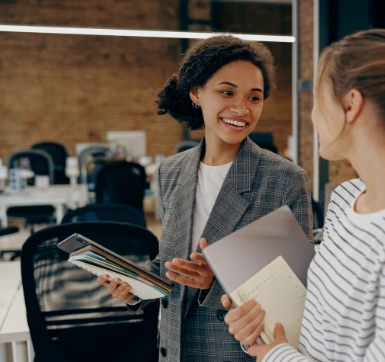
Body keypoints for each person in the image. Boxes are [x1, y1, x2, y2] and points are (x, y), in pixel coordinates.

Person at [221, 29, 385, 362]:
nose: (313, 117)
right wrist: (262, 327)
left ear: (352, 104)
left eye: (317, 102)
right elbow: (328, 323)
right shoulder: (346, 197)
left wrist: (277, 358)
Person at [97, 35, 313, 362]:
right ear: (196, 93)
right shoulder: (171, 171)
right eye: (227, 92)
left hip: (237, 351)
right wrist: (134, 287)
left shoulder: (284, 180)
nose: (241, 109)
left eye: (254, 98)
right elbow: (169, 264)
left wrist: (214, 283)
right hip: (174, 349)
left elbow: (296, 291)